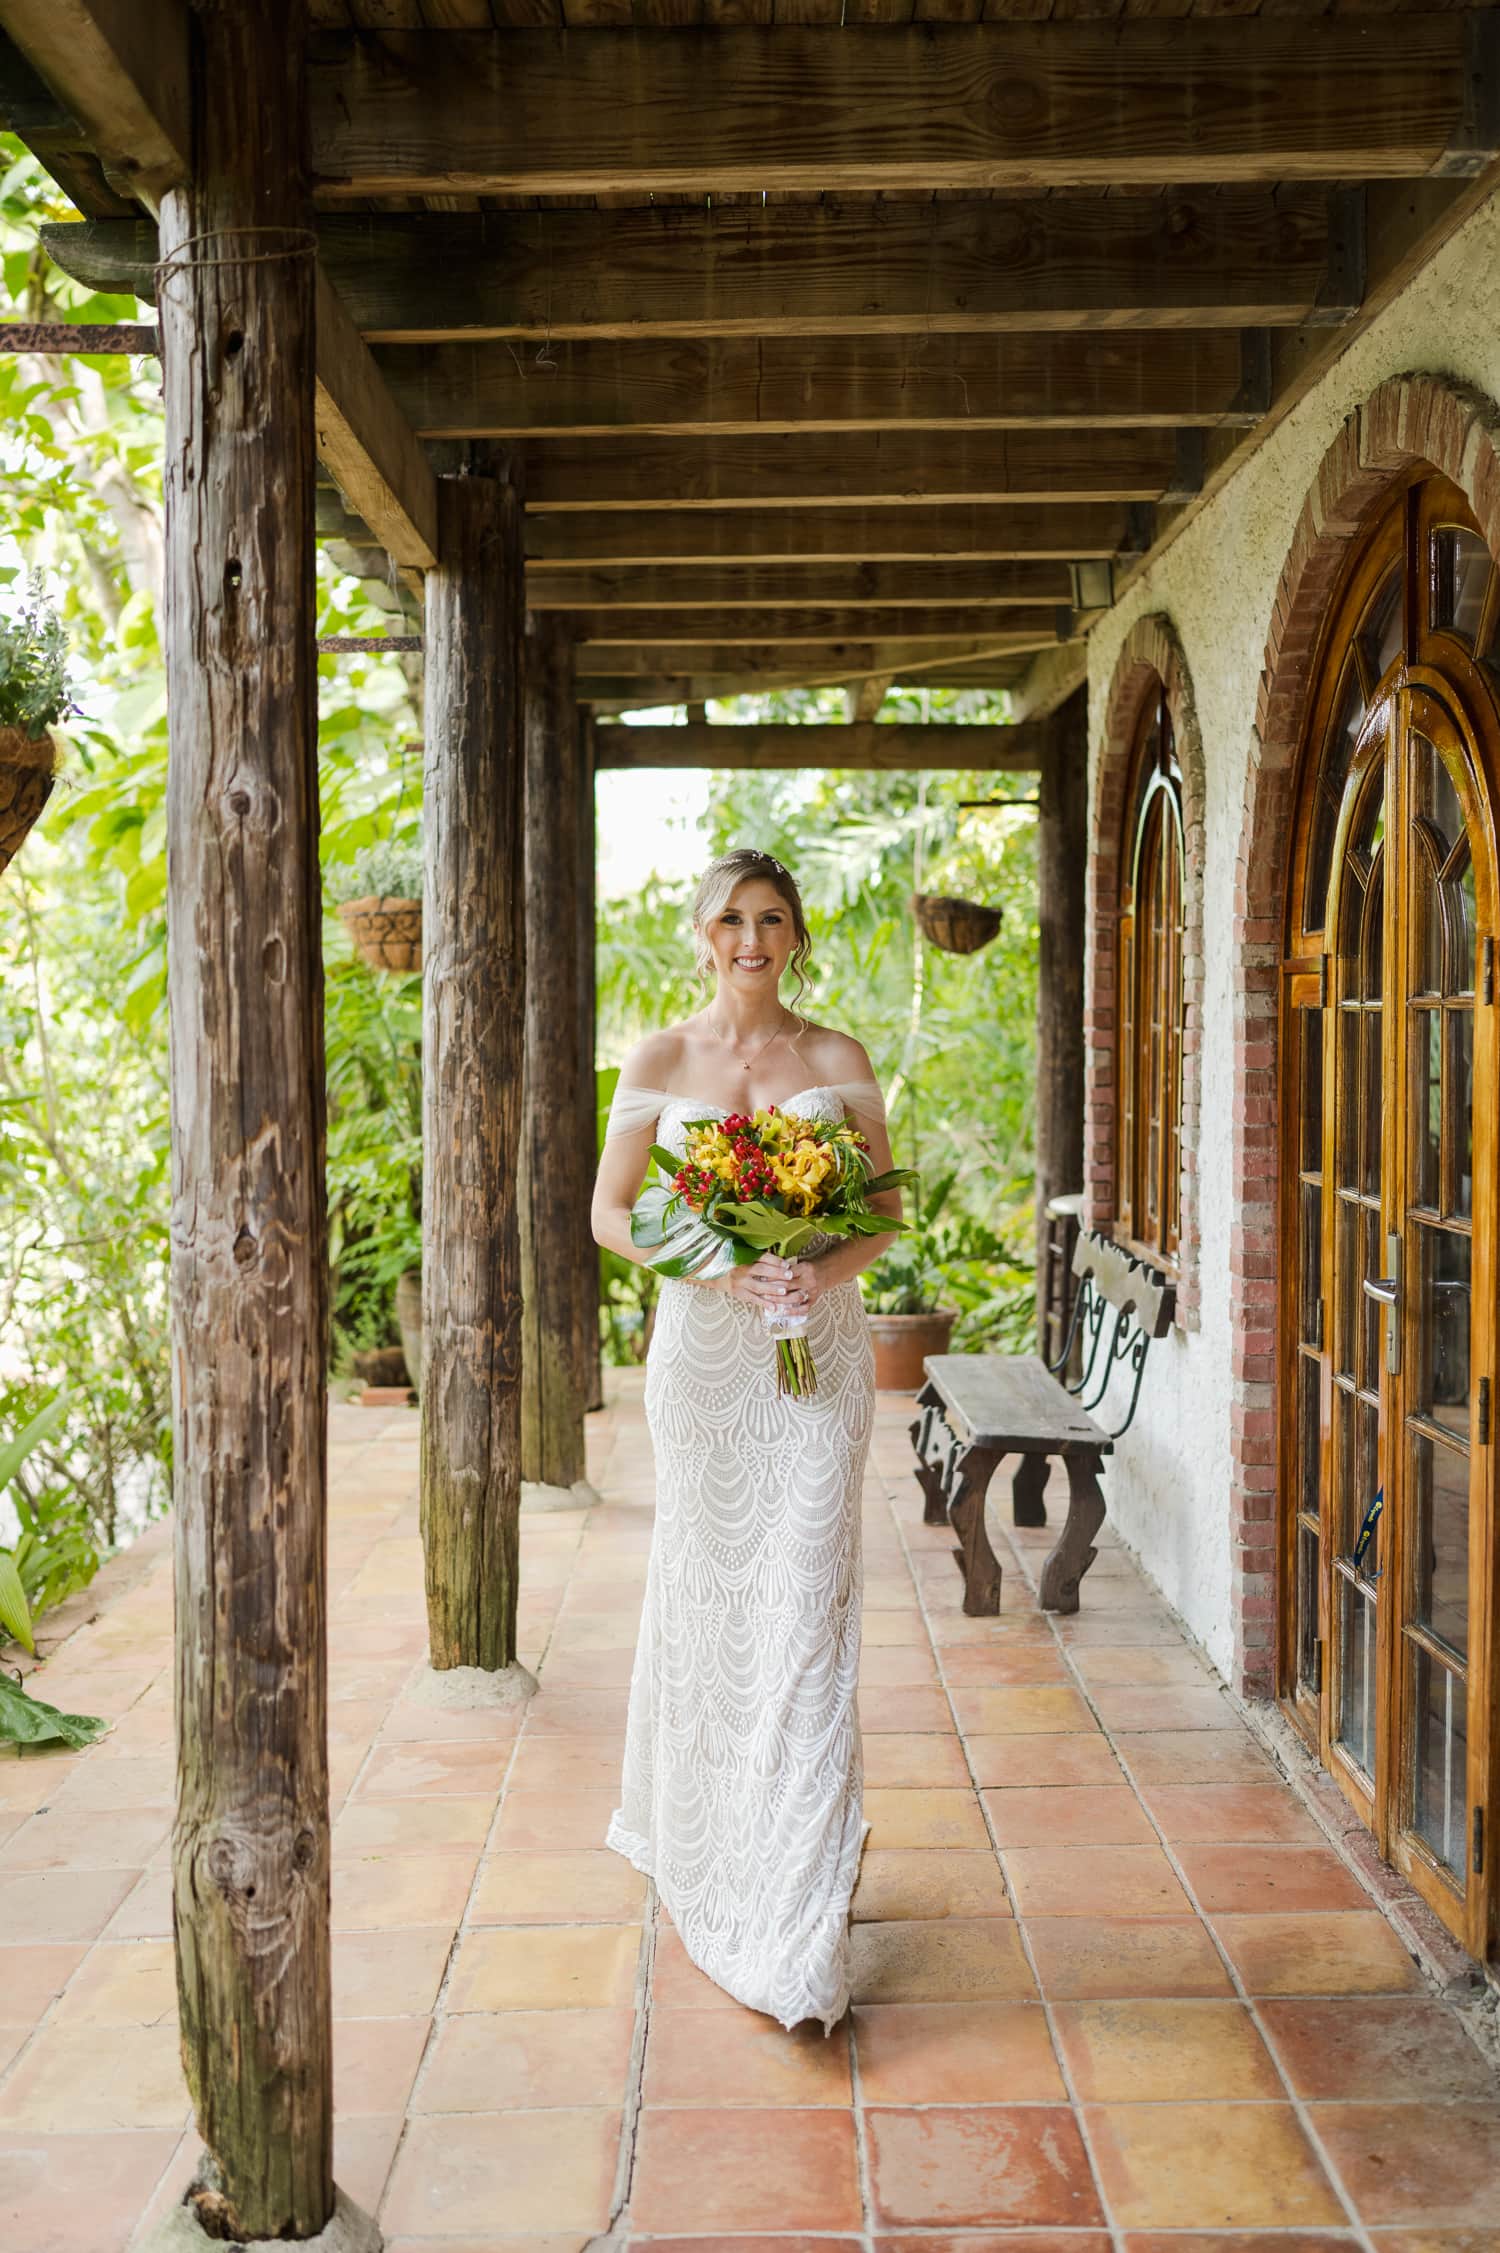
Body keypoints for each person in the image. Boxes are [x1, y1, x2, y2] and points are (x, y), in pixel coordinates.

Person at [591, 847, 904, 2031]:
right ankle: (717, 1845)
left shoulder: (838, 1060)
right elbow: (610, 1211)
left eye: (773, 917)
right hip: (707, 1362)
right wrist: (719, 1265)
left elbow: (877, 1214)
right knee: (717, 1600)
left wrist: (815, 1277)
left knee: (808, 1605)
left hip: (816, 1357)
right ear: (700, 929)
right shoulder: (663, 1058)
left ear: (799, 933)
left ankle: (800, 1906)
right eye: (732, 917)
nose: (753, 936)